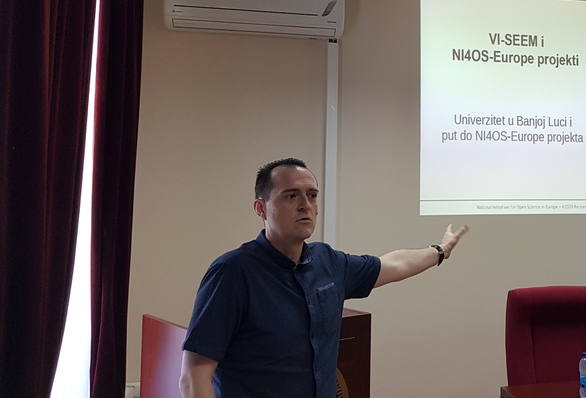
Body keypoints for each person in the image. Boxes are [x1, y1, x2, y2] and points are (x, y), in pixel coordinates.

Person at [179, 157, 468, 398]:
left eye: (312, 195)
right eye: (291, 196)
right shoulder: (232, 272)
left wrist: (440, 251)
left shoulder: (327, 261)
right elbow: (194, 378)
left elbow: (392, 264)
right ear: (261, 208)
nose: (305, 204)